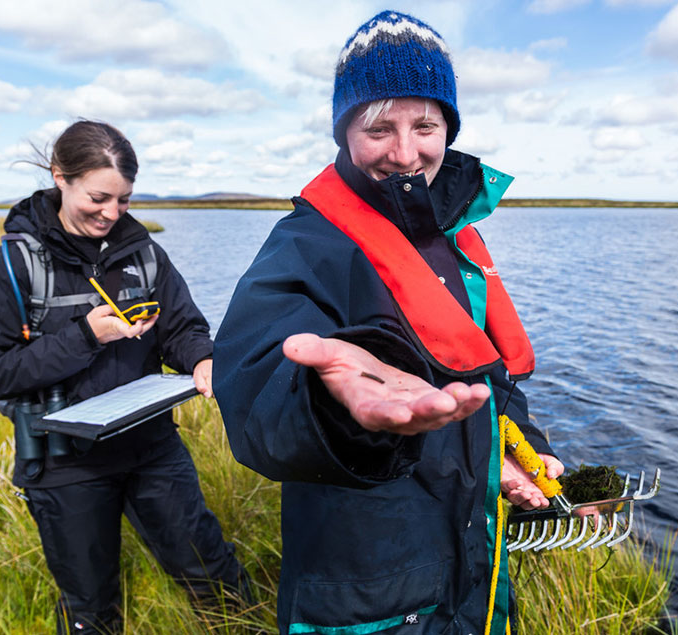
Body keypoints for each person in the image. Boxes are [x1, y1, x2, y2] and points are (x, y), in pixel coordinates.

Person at [213, 11, 564, 635]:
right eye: (379, 127)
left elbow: (487, 377)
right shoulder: (305, 242)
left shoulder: (458, 241)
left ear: (447, 129)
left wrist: (519, 448)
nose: (406, 153)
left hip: (472, 572)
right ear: (344, 131)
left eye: (425, 125)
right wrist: (331, 407)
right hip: (366, 591)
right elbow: (253, 392)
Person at [0, 120, 251, 634]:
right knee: (91, 608)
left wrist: (201, 359)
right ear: (60, 177)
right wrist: (86, 336)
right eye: (99, 197)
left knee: (211, 572)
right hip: (61, 467)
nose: (112, 214)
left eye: (124, 200)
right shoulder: (13, 265)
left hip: (153, 449)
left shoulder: (144, 253)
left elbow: (181, 327)